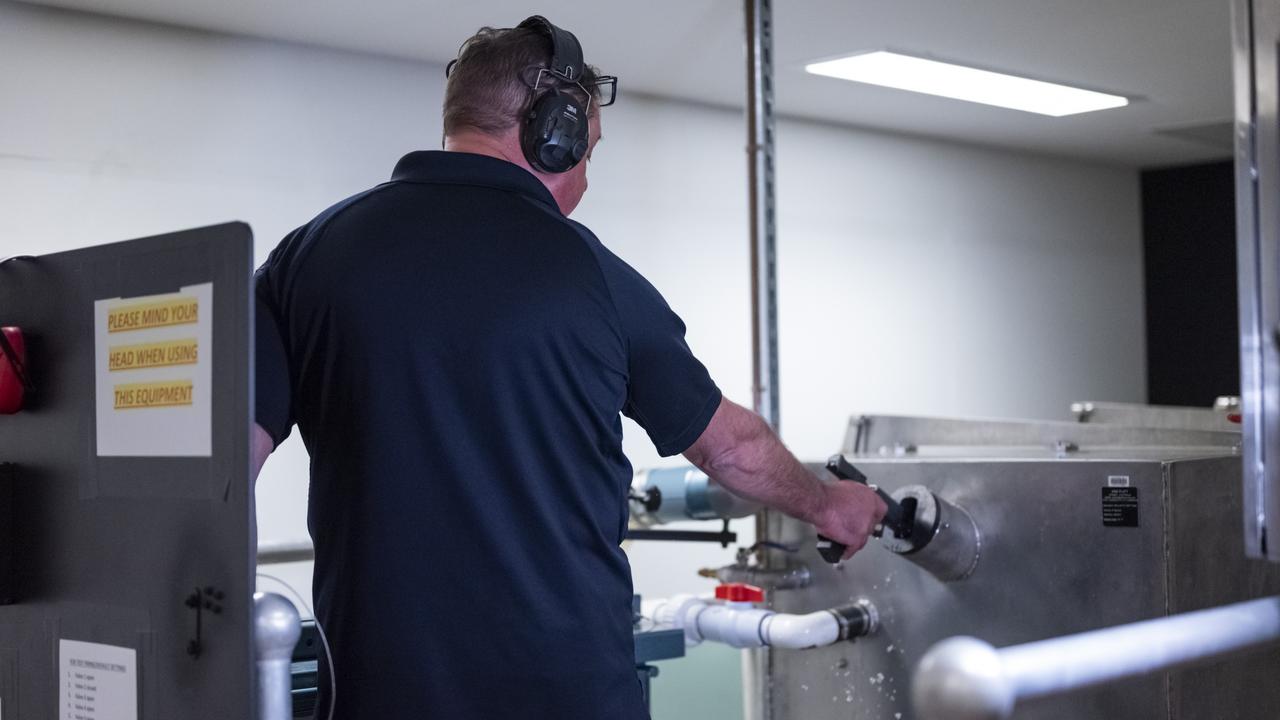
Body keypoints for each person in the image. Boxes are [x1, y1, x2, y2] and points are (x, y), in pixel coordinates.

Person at [251, 15, 886, 720]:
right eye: (588, 151)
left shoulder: (308, 257)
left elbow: (224, 466)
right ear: (556, 135)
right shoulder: (591, 274)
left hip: (377, 693)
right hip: (564, 691)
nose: (584, 178)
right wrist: (831, 504)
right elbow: (730, 446)